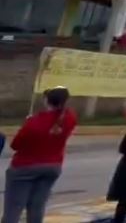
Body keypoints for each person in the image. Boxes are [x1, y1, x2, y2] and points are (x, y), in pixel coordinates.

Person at [5, 87, 76, 223]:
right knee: (37, 206)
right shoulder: (70, 118)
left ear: (46, 100)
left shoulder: (34, 122)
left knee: (14, 208)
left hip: (24, 168)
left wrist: (27, 123)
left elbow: (15, 145)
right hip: (53, 166)